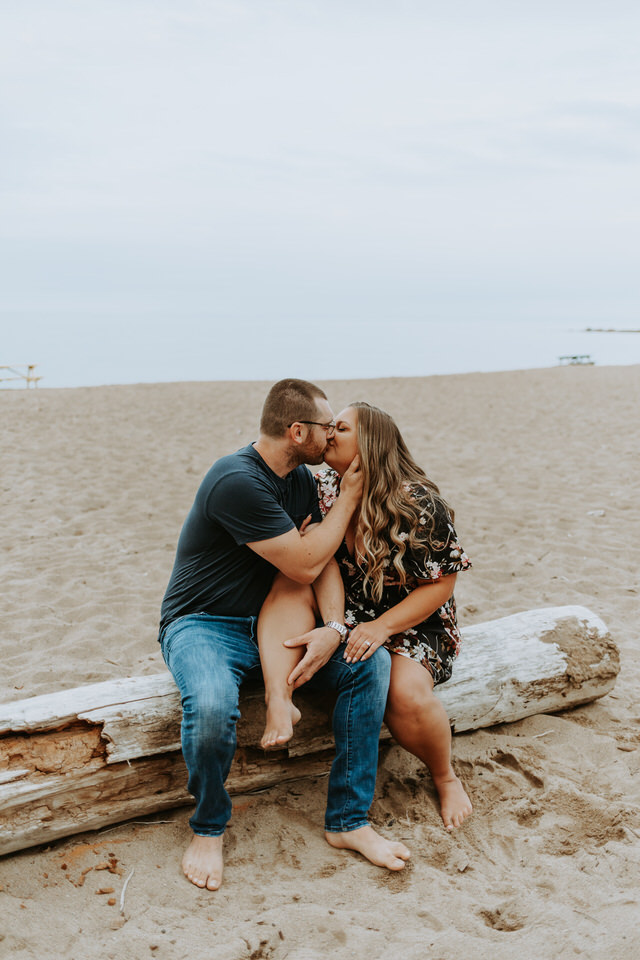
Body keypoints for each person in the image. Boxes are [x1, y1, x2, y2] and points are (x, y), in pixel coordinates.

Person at [159, 380, 411, 891]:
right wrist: (351, 496)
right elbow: (304, 563)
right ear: (298, 432)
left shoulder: (297, 480)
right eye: (326, 427)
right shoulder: (236, 479)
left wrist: (336, 629)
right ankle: (208, 827)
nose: (332, 434)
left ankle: (348, 822)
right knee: (210, 707)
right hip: (204, 624)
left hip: (275, 623)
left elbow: (321, 567)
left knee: (369, 665)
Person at [259, 401, 473, 831]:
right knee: (292, 589)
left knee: (405, 694)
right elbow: (323, 563)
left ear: (370, 443)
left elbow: (442, 583)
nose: (329, 434)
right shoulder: (323, 488)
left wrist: (381, 628)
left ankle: (445, 775)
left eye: (340, 428)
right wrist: (340, 623)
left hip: (414, 620)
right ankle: (276, 698)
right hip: (350, 609)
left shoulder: (419, 503)